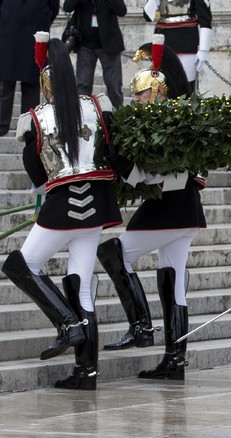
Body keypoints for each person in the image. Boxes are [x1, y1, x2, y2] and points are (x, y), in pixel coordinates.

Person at [1, 33, 122, 390]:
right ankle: (87, 372)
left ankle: (66, 324)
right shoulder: (98, 106)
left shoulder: (35, 119)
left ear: (46, 86)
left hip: (62, 207)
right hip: (97, 207)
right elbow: (115, 154)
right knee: (80, 287)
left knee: (20, 264)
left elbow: (36, 174)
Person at [98, 35, 206, 380]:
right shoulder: (175, 119)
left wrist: (118, 159)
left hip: (170, 208)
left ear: (157, 92)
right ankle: (174, 361)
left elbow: (153, 177)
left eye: (141, 94)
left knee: (114, 253)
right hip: (184, 211)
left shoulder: (168, 123)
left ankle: (141, 326)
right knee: (174, 282)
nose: (137, 99)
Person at [0, 0, 59, 136]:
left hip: (31, 30)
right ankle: (20, 127)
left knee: (30, 84)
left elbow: (53, 7)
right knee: (5, 84)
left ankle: (29, 126)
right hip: (10, 29)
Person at [62, 0, 127, 108]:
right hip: (85, 44)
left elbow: (122, 11)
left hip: (109, 44)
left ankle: (117, 117)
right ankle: (83, 117)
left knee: (113, 85)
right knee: (83, 85)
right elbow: (67, 7)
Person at [143, 0, 213, 92]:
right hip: (163, 39)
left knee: (186, 85)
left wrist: (203, 50)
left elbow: (205, 20)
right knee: (164, 84)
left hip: (187, 41)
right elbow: (148, 17)